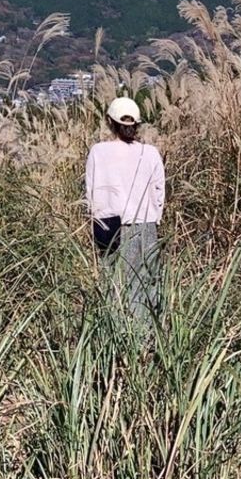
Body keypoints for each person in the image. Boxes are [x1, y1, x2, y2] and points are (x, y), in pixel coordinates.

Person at [84, 96, 165, 326]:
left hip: (110, 227)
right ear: (137, 124)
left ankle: (119, 340)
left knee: (115, 286)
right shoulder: (150, 153)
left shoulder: (98, 151)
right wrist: (154, 218)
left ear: (109, 121)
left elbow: (91, 192)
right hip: (147, 227)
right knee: (147, 284)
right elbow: (159, 192)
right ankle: (147, 339)